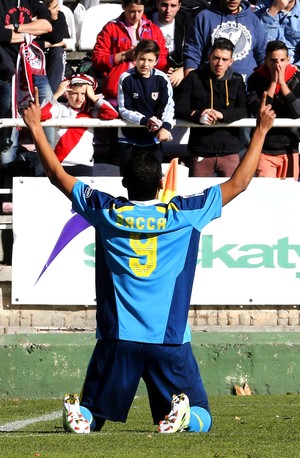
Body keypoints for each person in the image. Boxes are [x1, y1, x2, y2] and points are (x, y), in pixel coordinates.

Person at [22, 85, 275, 434]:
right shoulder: (184, 213)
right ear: (160, 184)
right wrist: (261, 129)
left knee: (93, 413)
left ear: (124, 183)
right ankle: (184, 415)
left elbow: (57, 175)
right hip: (169, 338)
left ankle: (85, 419)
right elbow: (240, 182)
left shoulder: (107, 210)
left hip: (118, 338)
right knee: (202, 415)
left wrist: (36, 128)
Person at [176, 38, 248, 177]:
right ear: (209, 57)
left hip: (230, 150)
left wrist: (223, 115)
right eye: (216, 58)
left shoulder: (237, 80)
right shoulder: (194, 77)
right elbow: (179, 108)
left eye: (224, 59)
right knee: (197, 196)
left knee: (232, 197)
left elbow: (244, 109)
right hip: (201, 149)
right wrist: (198, 116)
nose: (219, 63)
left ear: (231, 61)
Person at [0, 0, 53, 165]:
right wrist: (31, 32)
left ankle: (49, 165)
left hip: (34, 70)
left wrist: (17, 27)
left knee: (48, 114)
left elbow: (47, 26)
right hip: (7, 72)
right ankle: (6, 177)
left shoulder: (31, 1)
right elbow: (1, 34)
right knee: (9, 129)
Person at [91, 0, 169, 105]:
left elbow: (163, 60)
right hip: (117, 88)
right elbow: (97, 60)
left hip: (148, 89)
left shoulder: (154, 30)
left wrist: (147, 58)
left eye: (140, 11)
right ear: (124, 7)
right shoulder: (111, 29)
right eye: (132, 11)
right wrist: (124, 55)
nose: (136, 16)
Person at [40, 74, 119, 176]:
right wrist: (56, 94)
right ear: (67, 94)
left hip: (84, 165)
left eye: (83, 94)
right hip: (59, 164)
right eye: (75, 93)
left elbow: (113, 113)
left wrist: (93, 97)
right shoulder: (59, 108)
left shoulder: (91, 112)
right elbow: (40, 115)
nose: (80, 98)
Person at [247, 40, 300, 179]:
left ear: (288, 60)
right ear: (266, 60)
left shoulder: (297, 77)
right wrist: (273, 83)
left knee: (289, 196)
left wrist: (282, 83)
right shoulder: (256, 78)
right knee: (267, 196)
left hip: (290, 148)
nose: (278, 65)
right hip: (264, 150)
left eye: (282, 60)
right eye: (273, 61)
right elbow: (258, 111)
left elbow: (297, 113)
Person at [117, 39, 175, 168]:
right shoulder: (126, 78)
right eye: (142, 59)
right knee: (128, 179)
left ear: (156, 61)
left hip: (153, 138)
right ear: (135, 58)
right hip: (128, 137)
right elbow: (124, 109)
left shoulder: (162, 79)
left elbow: (168, 106)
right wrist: (145, 121)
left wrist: (165, 126)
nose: (145, 64)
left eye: (150, 60)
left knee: (153, 180)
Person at [183, 0, 267, 83]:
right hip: (210, 88)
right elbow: (192, 54)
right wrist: (191, 86)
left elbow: (262, 55)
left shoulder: (253, 19)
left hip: (246, 89)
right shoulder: (204, 17)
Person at [148, 0, 187, 89]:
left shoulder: (186, 23)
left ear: (179, 6)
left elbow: (194, 51)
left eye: (173, 6)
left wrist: (183, 69)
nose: (168, 10)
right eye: (164, 5)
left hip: (176, 76)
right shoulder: (145, 21)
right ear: (157, 3)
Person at [254, 0, 300, 68]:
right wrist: (273, 10)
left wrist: (296, 69)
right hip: (265, 65)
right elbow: (255, 36)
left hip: (293, 68)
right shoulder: (262, 6)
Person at [38, 0, 70, 93]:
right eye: (55, 7)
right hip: (34, 55)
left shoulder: (59, 16)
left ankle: (53, 97)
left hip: (53, 58)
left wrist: (41, 37)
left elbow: (56, 37)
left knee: (57, 51)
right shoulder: (30, 18)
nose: (59, 9)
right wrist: (48, 43)